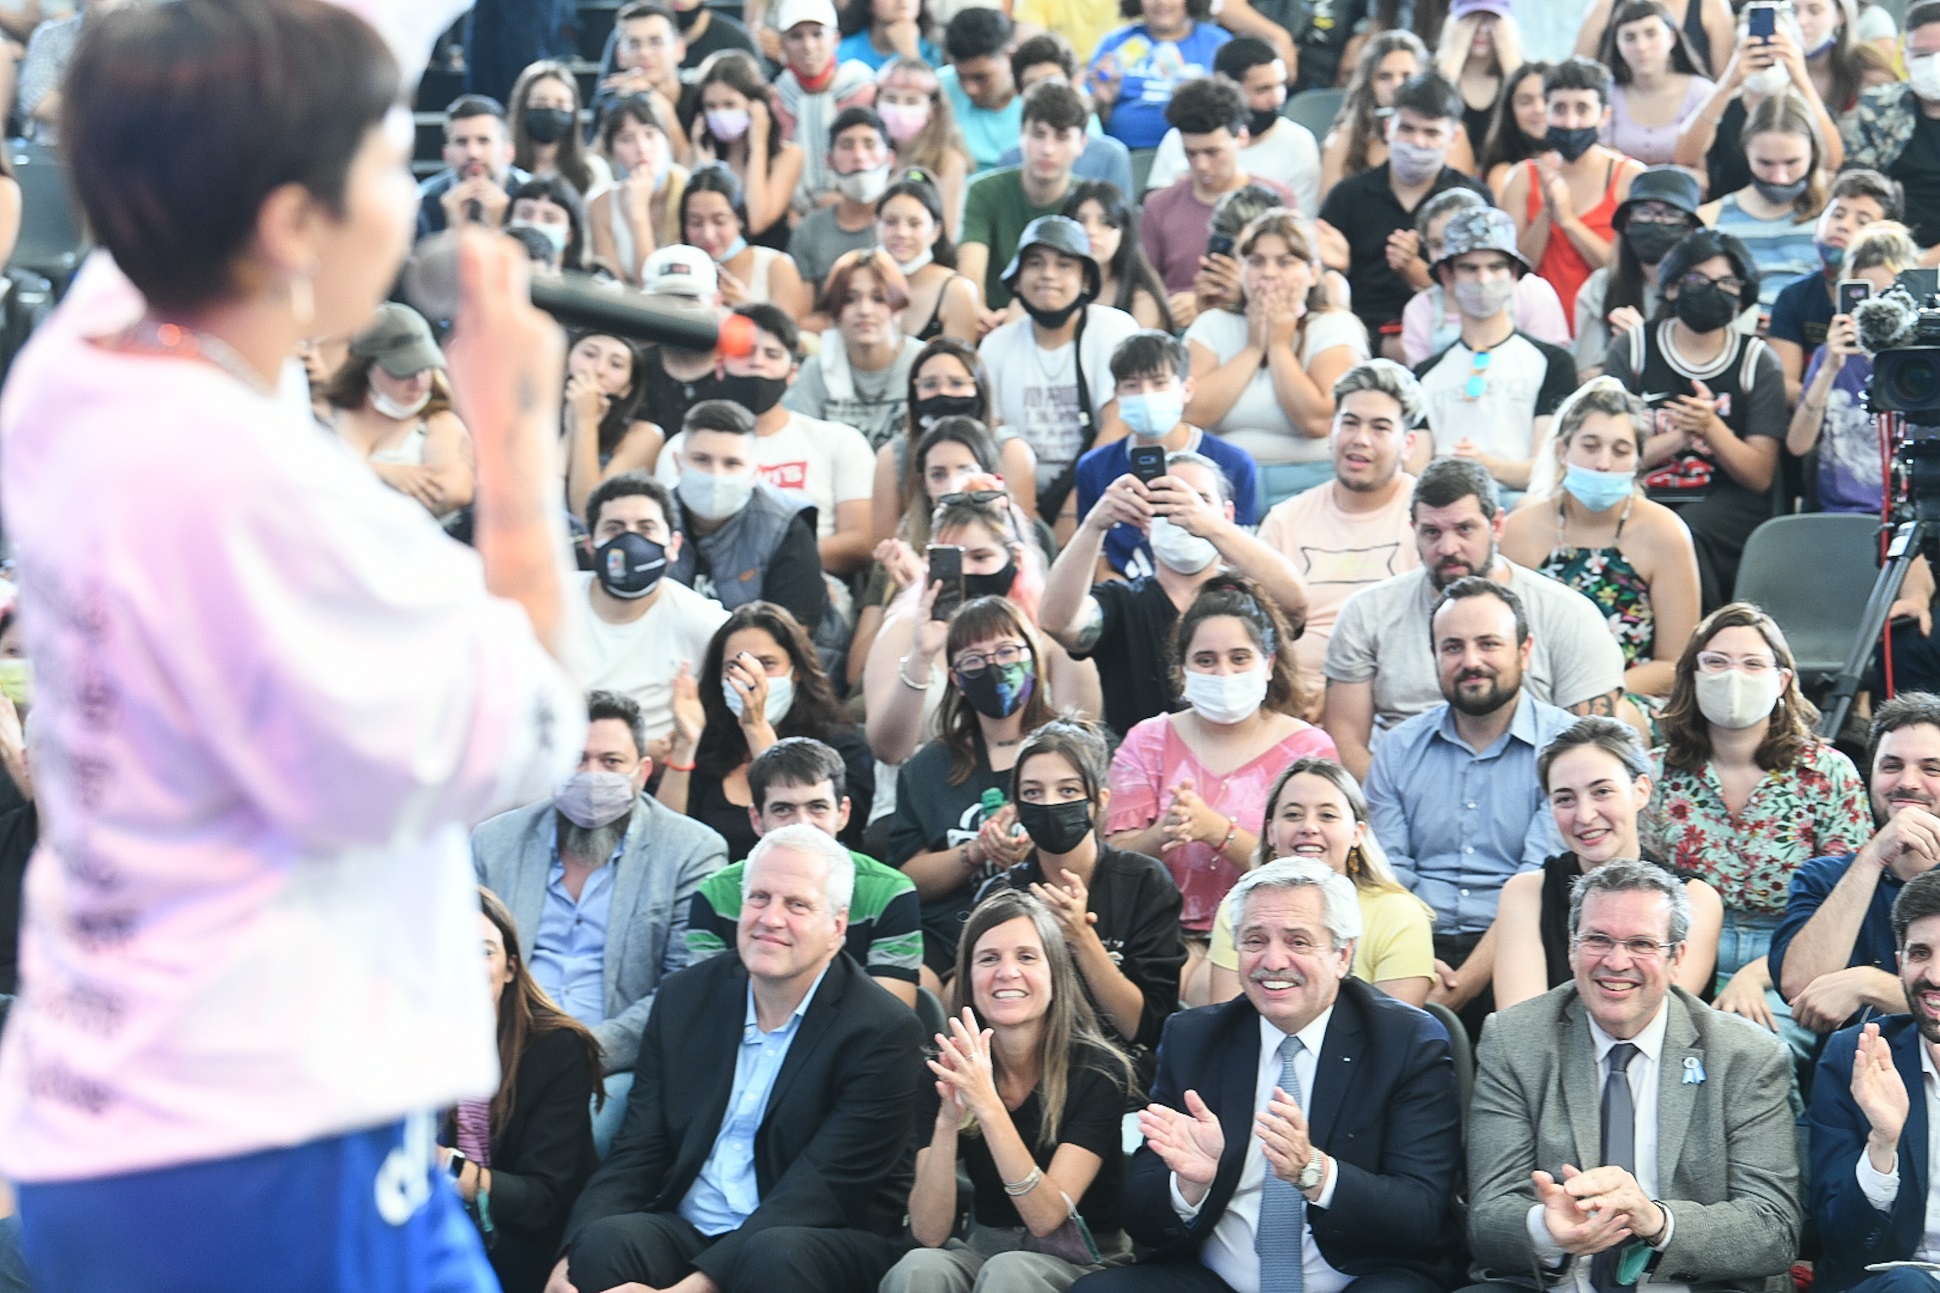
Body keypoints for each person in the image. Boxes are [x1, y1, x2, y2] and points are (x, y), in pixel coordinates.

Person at [0, 0, 587, 1286]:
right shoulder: (285, 512)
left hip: (109, 1107)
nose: (409, 194)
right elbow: (537, 724)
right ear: (289, 225)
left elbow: (302, 50)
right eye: (383, 161)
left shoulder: (78, 365)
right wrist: (515, 437)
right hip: (256, 1153)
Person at [549, 826, 924, 1293]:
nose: (771, 918)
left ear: (837, 927)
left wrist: (689, 1291)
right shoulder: (685, 997)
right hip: (693, 1227)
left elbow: (821, 1192)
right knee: (605, 1244)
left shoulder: (882, 1030)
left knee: (773, 1256)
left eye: (797, 905)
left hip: (817, 1239)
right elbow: (636, 1153)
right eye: (759, 897)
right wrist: (567, 1262)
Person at [1070, 858, 1465, 1293]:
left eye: (1298, 941)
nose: (1273, 961)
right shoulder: (1195, 1039)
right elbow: (1140, 1216)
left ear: (1342, 955)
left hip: (1360, 1276)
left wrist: (1313, 1172)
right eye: (1255, 940)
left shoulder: (1405, 1041)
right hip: (1218, 1280)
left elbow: (1420, 1214)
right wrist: (1189, 1186)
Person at [1463, 861, 1803, 1293]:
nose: (1616, 961)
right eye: (1598, 939)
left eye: (1641, 943)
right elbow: (1487, 1219)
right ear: (1572, 949)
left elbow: (1774, 1228)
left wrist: (1658, 1222)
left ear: (1677, 958)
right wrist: (1546, 1229)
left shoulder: (1747, 1056)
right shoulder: (1515, 1039)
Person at [472, 684, 728, 1135]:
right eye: (578, 759)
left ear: (642, 771)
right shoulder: (495, 843)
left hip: (613, 1062)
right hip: (497, 1046)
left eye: (611, 762)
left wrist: (576, 1052)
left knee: (580, 1126)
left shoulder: (690, 851)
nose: (592, 776)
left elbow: (685, 986)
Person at [885, 890, 1141, 1292]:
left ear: (1056, 974)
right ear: (969, 978)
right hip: (988, 1249)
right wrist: (948, 1121)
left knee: (1010, 1273)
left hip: (1086, 1258)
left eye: (1026, 957)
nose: (1007, 972)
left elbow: (1047, 1219)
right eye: (988, 959)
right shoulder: (948, 1068)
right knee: (920, 1268)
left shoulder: (1100, 1072)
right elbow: (929, 1233)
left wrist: (987, 1105)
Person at [1105, 576, 1338, 1004]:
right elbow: (1112, 858)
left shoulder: (1308, 750)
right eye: (1206, 660)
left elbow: (1315, 871)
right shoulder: (1147, 741)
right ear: (1182, 670)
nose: (1224, 673)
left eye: (1239, 658)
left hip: (1271, 938)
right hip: (1157, 937)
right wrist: (1163, 834)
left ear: (1268, 663)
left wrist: (1218, 832)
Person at [1323, 458, 1628, 782]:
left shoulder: (1569, 614)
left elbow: (1593, 749)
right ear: (1414, 531)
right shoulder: (1367, 613)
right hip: (1401, 788)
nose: (1447, 547)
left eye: (1464, 529)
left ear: (1497, 525)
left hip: (1532, 791)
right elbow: (1345, 739)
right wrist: (1391, 802)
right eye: (1432, 532)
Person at [1651, 603, 1871, 1043]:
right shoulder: (1656, 773)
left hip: (1792, 957)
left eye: (1752, 664)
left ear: (1782, 680)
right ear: (1693, 674)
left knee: (1757, 1050)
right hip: (1682, 950)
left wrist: (1755, 975)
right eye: (1716, 662)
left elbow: (1845, 900)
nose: (1733, 676)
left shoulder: (1827, 772)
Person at [1362, 577, 1573, 1027]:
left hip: (1530, 945)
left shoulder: (1566, 750)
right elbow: (1389, 876)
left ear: (1524, 650)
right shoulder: (1398, 750)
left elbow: (1536, 884)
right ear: (1434, 655)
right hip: (1416, 944)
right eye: (1453, 647)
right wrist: (1412, 963)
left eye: (1488, 644)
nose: (1471, 661)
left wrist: (1456, 988)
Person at [1047, 446, 1305, 738]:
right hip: (1145, 761)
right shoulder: (1122, 603)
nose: (1183, 511)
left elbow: (1294, 604)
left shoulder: (1248, 597)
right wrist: (1095, 525)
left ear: (1227, 515)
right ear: (1145, 521)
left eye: (1200, 500)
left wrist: (1211, 527)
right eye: (1167, 500)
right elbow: (1057, 622)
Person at [975, 720, 1186, 1070]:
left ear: (1099, 801)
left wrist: (1081, 938)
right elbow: (976, 1011)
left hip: (1120, 1069)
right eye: (1032, 793)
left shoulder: (1144, 883)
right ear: (1017, 808)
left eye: (1068, 791)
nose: (1050, 804)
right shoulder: (1001, 894)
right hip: (1026, 1068)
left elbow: (1146, 1028)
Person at [885, 596, 1064, 981]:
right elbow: (908, 879)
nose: (993, 666)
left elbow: (1105, 853)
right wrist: (976, 852)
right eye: (973, 660)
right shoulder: (928, 767)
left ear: (1033, 658)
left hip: (1051, 930)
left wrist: (1042, 851)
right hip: (950, 936)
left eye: (1006, 651)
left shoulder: (1072, 750)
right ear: (957, 679)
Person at [1604, 228, 1783, 611]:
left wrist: (1710, 428)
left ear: (1741, 296)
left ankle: (1699, 635)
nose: (1712, 291)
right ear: (1671, 287)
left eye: (1727, 283)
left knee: (1683, 532)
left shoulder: (1758, 361)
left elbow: (1760, 476)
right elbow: (1609, 457)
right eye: (1698, 280)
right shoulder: (1633, 350)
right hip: (1643, 491)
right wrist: (1679, 437)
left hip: (1725, 500)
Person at [1493, 717, 1723, 1010]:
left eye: (1602, 792)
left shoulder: (1694, 898)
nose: (1584, 815)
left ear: (1641, 791)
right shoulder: (1526, 892)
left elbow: (1649, 1017)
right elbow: (1521, 1023)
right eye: (1565, 799)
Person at [1500, 379, 1702, 702]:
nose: (1603, 463)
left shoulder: (1666, 533)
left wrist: (1593, 694)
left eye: (1621, 451)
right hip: (1535, 695)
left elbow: (1674, 663)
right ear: (1562, 451)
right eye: (1590, 446)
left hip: (1628, 696)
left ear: (1637, 461)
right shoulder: (1520, 529)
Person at [684, 736, 922, 1006]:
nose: (802, 823)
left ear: (843, 813)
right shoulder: (713, 895)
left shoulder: (889, 892)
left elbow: (891, 1013)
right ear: (757, 819)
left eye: (817, 807)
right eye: (783, 809)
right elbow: (706, 1005)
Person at [657, 304, 877, 577]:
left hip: (809, 581)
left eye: (772, 354)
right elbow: (665, 534)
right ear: (720, 366)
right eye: (745, 352)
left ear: (792, 372)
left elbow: (860, 544)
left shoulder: (839, 441)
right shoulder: (682, 448)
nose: (757, 362)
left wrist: (783, 557)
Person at [1766, 694, 1940, 1038]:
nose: (1908, 782)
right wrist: (1872, 859)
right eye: (1891, 766)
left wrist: (1869, 984)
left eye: (1931, 768)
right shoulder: (1823, 877)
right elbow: (1800, 988)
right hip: (1844, 1062)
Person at [458, 888, 604, 1293]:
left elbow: (541, 1200)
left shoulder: (557, 1049)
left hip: (530, 1239)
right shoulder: (400, 1041)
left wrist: (449, 1169)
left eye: (483, 951)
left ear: (510, 967)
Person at [1206, 758, 1439, 1007]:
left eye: (1327, 816)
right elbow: (1229, 1018)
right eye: (1293, 815)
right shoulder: (1239, 905)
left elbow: (1394, 1027)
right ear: (1271, 832)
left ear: (1357, 833)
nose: (1309, 827)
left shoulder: (1400, 915)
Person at [1804, 868, 1940, 1293]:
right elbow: (1841, 1244)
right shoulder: (1856, 1056)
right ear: (1900, 965)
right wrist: (1882, 1144)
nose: (1935, 975)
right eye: (1920, 954)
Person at [1258, 360, 1426, 701]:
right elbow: (1256, 628)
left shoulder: (1430, 519)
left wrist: (1342, 698)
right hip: (1291, 698)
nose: (1360, 440)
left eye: (1380, 428)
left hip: (1393, 698)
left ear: (1407, 444)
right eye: (1350, 423)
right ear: (1331, 431)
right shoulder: (1285, 519)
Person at [658, 601, 875, 861]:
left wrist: (756, 726)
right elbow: (665, 844)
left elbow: (823, 839)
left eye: (766, 664)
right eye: (734, 667)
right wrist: (687, 742)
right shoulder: (710, 748)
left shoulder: (844, 746)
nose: (751, 677)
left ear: (796, 672)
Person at [1184, 209, 1371, 499]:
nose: (1269, 273)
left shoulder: (1335, 326)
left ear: (1313, 273)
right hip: (1222, 477)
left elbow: (1317, 422)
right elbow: (1190, 413)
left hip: (1311, 477)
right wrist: (1254, 348)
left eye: (1285, 262)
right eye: (1256, 261)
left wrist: (1279, 347)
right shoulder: (1212, 324)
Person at [977, 215, 1138, 526]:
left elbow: (1119, 424)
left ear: (1086, 279)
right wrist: (1026, 515)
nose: (1048, 274)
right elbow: (991, 431)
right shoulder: (996, 345)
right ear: (1017, 276)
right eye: (1035, 263)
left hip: (1102, 490)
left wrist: (1075, 507)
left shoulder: (1114, 329)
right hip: (1016, 497)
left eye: (1064, 265)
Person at [1318, 71, 1490, 360]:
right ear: (1388, 128)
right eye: (1407, 129)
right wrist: (1336, 268)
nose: (1417, 142)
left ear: (1454, 137)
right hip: (1361, 334)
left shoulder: (1472, 200)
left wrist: (1417, 270)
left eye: (1431, 133)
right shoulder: (1348, 195)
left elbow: (1486, 284)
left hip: (1448, 334)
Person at [1410, 206, 1579, 491]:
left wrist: (1486, 466)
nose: (1484, 280)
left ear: (1514, 274)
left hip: (1524, 503)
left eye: (1496, 267)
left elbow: (1551, 466)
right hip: (1444, 504)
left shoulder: (1553, 362)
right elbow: (1414, 469)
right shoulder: (1425, 374)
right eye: (1469, 268)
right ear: (1447, 276)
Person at [1074, 331, 1262, 580]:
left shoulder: (1233, 463)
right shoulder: (1094, 467)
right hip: (1127, 594)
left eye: (1159, 383)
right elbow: (1096, 565)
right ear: (1117, 395)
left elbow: (1243, 558)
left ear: (1187, 389)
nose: (1146, 395)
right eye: (1132, 385)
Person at [653, 405, 836, 648]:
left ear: (753, 472)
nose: (715, 475)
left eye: (732, 463)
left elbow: (792, 632)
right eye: (701, 460)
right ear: (678, 463)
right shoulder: (648, 517)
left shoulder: (787, 523)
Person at [578, 472, 733, 753]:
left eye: (646, 528)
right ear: (589, 544)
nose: (630, 540)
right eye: (614, 528)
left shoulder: (704, 622)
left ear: (674, 545)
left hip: (660, 771)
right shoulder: (547, 602)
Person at [1501, 58, 1646, 331]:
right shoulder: (1523, 177)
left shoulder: (1630, 177)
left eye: (1582, 109)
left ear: (1604, 116)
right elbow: (1513, 271)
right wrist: (1547, 211)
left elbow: (1624, 271)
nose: (1570, 122)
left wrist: (1568, 221)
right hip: (1537, 328)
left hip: (1604, 325)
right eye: (1559, 109)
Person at [1788, 219, 1920, 514]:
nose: (1878, 313)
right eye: (1867, 300)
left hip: (1916, 513)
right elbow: (1798, 445)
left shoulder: (1925, 359)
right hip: (1844, 514)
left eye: (1887, 298)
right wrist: (1828, 370)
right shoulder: (1831, 357)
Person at [1140, 75, 1296, 319]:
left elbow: (1293, 282)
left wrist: (1243, 293)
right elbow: (1144, 288)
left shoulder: (1276, 200)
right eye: (1191, 153)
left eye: (1212, 152)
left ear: (1242, 137)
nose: (1201, 165)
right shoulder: (1158, 206)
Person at [868, 339, 1039, 545]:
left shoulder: (1012, 451)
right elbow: (886, 545)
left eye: (956, 383)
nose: (943, 393)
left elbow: (1019, 540)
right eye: (930, 385)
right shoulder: (893, 456)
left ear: (979, 389)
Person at [1673, 9, 1843, 212]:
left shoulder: (1805, 108)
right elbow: (1685, 157)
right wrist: (1728, 83)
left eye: (1776, 46)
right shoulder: (1723, 108)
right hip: (1730, 214)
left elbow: (1832, 162)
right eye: (1755, 47)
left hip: (1797, 214)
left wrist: (1801, 79)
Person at [322, 301, 476, 519]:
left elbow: (453, 492)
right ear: (363, 366)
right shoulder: (324, 412)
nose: (418, 382)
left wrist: (341, 476)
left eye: (425, 368)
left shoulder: (440, 424)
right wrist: (379, 471)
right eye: (403, 370)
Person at [1146, 38, 1323, 225]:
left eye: (1281, 85)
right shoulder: (1180, 138)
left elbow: (1301, 223)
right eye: (1263, 90)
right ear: (1230, 90)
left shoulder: (1298, 141)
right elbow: (1157, 210)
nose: (1277, 99)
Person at [1769, 167, 1901, 406]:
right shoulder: (1794, 297)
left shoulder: (1898, 302)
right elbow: (1784, 384)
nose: (1844, 225)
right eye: (1837, 215)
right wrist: (1837, 407)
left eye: (1862, 221)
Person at [960, 79, 1093, 314]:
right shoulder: (983, 191)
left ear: (1081, 143)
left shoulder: (1090, 202)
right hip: (989, 320)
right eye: (1038, 134)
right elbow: (970, 272)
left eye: (1061, 137)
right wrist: (978, 311)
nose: (1047, 149)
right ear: (1021, 134)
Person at [1401, 186, 1571, 367]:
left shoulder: (1533, 293)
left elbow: (1553, 364)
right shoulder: (1420, 309)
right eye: (1436, 245)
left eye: (1495, 266)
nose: (1446, 253)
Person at [1696, 92, 1828, 315]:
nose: (1779, 177)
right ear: (1746, 151)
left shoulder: (1834, 218)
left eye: (1792, 162)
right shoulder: (1710, 217)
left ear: (1813, 152)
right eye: (1765, 163)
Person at [1570, 163, 1703, 380]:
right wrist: (1623, 353)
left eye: (1671, 214)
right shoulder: (1601, 286)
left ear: (1691, 229)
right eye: (1644, 212)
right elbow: (1586, 376)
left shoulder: (1708, 290)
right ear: (1627, 223)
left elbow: (1710, 374)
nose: (1656, 222)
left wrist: (1644, 345)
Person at [788, 248, 927, 449]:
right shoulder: (815, 371)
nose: (864, 310)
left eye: (878, 298)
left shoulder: (923, 363)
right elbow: (805, 450)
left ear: (897, 308)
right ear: (834, 312)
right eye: (850, 299)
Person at [1847, 1, 1940, 255]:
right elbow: (1857, 189)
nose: (1935, 65)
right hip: (1887, 249)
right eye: (1922, 55)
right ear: (1904, 58)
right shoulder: (1878, 107)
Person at [770, 0, 878, 215]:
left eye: (817, 34)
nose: (808, 46)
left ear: (836, 39)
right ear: (782, 44)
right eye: (796, 36)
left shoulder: (865, 92)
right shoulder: (776, 100)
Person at [690, 50, 804, 248]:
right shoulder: (698, 153)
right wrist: (707, 169)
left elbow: (755, 221)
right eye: (711, 106)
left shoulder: (789, 155)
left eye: (729, 104)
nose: (720, 114)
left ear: (756, 104)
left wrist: (758, 145)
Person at [1086, 0, 1233, 152]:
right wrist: (1101, 101)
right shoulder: (1113, 43)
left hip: (1196, 154)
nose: (1161, 2)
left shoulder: (1218, 42)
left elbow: (1234, 110)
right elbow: (1086, 117)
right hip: (1125, 152)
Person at [789, 107, 896, 299]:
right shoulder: (810, 229)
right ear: (829, 161)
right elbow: (802, 311)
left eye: (870, 144)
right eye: (847, 146)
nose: (859, 156)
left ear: (890, 158)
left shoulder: (907, 225)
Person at [680, 162, 812, 317]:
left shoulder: (776, 266)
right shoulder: (675, 266)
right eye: (696, 223)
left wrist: (748, 309)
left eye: (719, 222)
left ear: (740, 219)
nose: (708, 234)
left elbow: (788, 330)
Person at [1596, 0, 1716, 167]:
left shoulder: (1702, 92)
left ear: (1672, 38)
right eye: (1629, 38)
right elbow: (1604, 161)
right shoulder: (1610, 96)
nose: (1641, 47)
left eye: (1651, 34)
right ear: (1617, 45)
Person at [1318, 30, 1434, 201]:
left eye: (1407, 76)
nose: (1397, 85)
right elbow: (1329, 209)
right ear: (1369, 83)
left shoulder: (1443, 135)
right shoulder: (1343, 139)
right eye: (1385, 76)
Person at [560, 329, 661, 521]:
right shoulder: (532, 416)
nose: (599, 370)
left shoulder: (644, 435)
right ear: (566, 360)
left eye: (616, 364)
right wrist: (569, 433)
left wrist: (585, 424)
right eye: (589, 354)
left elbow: (588, 514)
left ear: (627, 388)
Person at [587, 93, 688, 286]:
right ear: (611, 152)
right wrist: (638, 214)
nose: (642, 148)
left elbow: (660, 285)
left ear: (667, 141)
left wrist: (638, 213)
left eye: (650, 134)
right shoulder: (600, 204)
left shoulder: (689, 190)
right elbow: (612, 289)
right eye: (626, 139)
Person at [876, 173, 981, 343]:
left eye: (914, 224)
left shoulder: (957, 290)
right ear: (876, 224)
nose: (902, 233)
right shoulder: (860, 279)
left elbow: (959, 358)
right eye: (891, 222)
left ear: (936, 231)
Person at [877, 57, 975, 238]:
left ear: (933, 109)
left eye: (911, 101)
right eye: (890, 98)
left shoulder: (948, 162)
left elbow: (948, 233)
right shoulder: (870, 153)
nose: (899, 109)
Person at [1063, 180, 1174, 333]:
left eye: (1105, 222)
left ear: (1124, 233)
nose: (1090, 231)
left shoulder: (1141, 302)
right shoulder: (1048, 287)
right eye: (1080, 220)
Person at [420, 92, 531, 237]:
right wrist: (452, 230)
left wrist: (499, 227)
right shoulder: (423, 200)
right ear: (446, 155)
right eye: (461, 142)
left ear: (508, 152)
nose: (473, 153)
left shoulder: (532, 195)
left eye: (483, 141)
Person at [593, 5, 693, 162]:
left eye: (656, 42)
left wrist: (658, 102)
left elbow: (692, 167)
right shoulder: (610, 99)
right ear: (620, 56)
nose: (644, 52)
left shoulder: (699, 98)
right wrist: (616, 109)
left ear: (679, 49)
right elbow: (595, 167)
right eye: (634, 44)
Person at [507, 61, 610, 200]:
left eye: (561, 104)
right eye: (541, 102)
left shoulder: (593, 169)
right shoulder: (505, 168)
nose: (551, 110)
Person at [1437, 0, 1526, 161]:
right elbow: (1432, 111)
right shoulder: (1437, 73)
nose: (1482, 29)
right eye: (1471, 19)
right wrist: (1456, 53)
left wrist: (1508, 54)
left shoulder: (1519, 72)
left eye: (1490, 20)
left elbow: (1529, 116)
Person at [939, 7, 1025, 172]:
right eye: (960, 76)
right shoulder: (939, 89)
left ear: (1010, 56)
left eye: (980, 77)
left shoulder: (1038, 98)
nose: (969, 89)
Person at [1576, 0, 1733, 77]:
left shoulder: (1711, 5)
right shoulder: (1604, 6)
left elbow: (1725, 81)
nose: (1641, 46)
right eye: (1630, 37)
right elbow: (1578, 73)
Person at [1479, 62, 1553, 197]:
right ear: (1510, 112)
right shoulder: (1503, 174)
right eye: (1526, 101)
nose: (1539, 109)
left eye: (1547, 99)